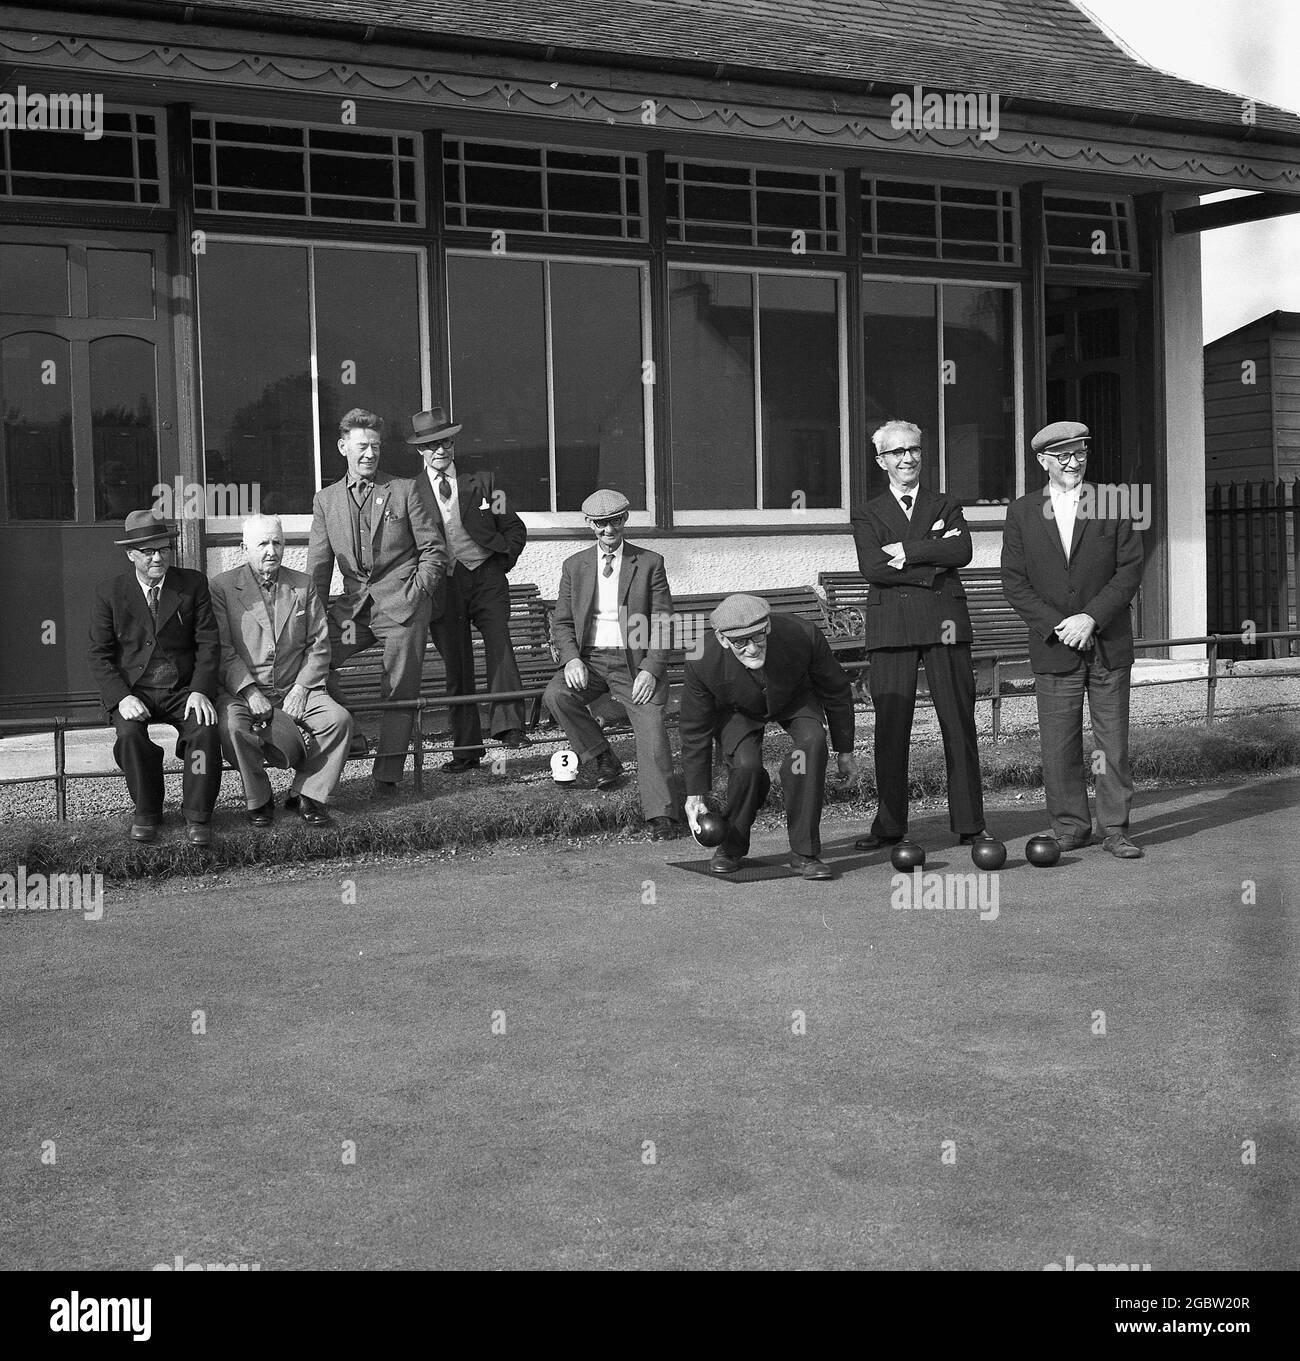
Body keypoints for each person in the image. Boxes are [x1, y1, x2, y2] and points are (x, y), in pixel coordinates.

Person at [1001, 420, 1145, 858]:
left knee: (1112, 744)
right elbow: (1014, 581)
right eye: (1062, 456)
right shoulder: (1023, 511)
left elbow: (1129, 571)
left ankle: (1115, 829)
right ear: (1043, 461)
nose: (1072, 462)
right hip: (1054, 646)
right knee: (1059, 744)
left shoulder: (1115, 502)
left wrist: (1090, 618)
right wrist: (1058, 625)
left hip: (1106, 644)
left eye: (1080, 452)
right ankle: (1069, 827)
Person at [850, 419, 992, 852]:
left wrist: (908, 551)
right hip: (892, 628)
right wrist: (934, 553)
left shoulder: (945, 503)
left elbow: (962, 551)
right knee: (892, 728)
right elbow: (872, 568)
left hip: (945, 624)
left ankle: (970, 824)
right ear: (881, 461)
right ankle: (890, 826)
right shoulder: (867, 511)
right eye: (897, 453)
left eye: (913, 450)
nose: (908, 458)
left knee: (958, 722)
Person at [306, 408, 447, 796]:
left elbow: (434, 551)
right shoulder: (326, 500)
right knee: (316, 662)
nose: (369, 454)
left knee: (399, 687)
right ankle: (350, 735)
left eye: (376, 447)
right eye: (362, 447)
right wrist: (312, 621)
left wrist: (417, 593)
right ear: (342, 447)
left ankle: (388, 776)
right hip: (353, 611)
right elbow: (318, 567)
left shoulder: (405, 489)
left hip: (403, 605)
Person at [681, 595, 857, 880]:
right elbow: (694, 727)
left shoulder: (802, 634)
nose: (752, 648)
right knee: (747, 767)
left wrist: (845, 752)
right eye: (740, 642)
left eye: (758, 637)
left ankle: (804, 853)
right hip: (735, 708)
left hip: (793, 698)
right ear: (723, 640)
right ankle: (731, 846)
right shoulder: (701, 657)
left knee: (811, 743)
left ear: (768, 627)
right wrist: (695, 793)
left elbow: (835, 689)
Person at [543, 489, 682, 840]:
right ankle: (602, 756)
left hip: (632, 661)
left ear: (625, 520)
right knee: (557, 695)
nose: (609, 530)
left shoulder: (649, 562)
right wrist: (572, 659)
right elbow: (561, 622)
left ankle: (661, 814)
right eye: (601, 523)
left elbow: (663, 622)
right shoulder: (574, 566)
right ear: (589, 524)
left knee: (651, 726)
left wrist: (651, 668)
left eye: (615, 522)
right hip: (589, 658)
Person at [87, 510, 221, 845]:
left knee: (203, 732)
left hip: (182, 689)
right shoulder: (110, 593)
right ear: (130, 554)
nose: (158, 557)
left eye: (163, 549)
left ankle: (197, 816)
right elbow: (98, 654)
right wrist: (121, 697)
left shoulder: (192, 584)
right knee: (130, 737)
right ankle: (147, 812)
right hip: (136, 691)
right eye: (148, 552)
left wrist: (200, 691)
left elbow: (208, 644)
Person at [210, 514, 353, 827]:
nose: (271, 551)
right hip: (242, 689)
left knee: (339, 721)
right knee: (233, 727)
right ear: (244, 547)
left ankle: (306, 794)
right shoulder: (221, 587)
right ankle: (259, 799)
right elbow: (222, 649)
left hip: (295, 686)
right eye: (262, 544)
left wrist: (302, 689)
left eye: (277, 542)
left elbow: (319, 644)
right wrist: (249, 692)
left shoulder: (302, 585)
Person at [408, 406, 531, 772]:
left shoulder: (485, 482)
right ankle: (466, 750)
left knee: (500, 644)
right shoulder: (409, 491)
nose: (441, 450)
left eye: (446, 441)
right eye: (432, 445)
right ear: (420, 451)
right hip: (443, 585)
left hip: (485, 578)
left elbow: (515, 528)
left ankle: (509, 727)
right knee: (457, 667)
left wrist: (500, 562)